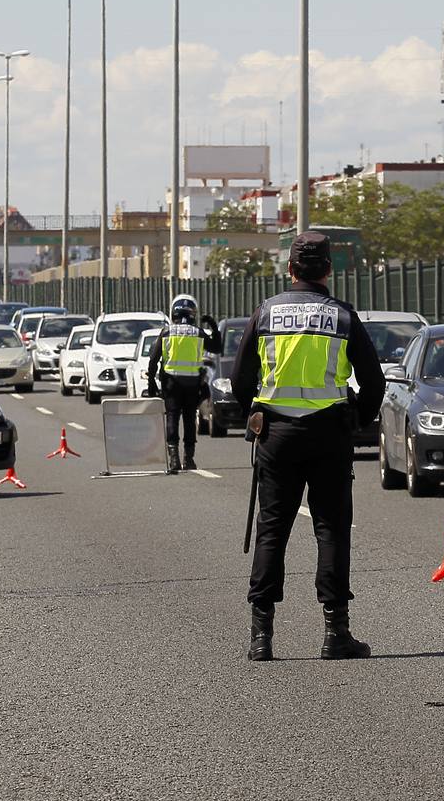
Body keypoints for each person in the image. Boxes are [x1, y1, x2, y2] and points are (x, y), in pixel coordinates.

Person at [231, 231, 385, 662]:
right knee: (331, 528)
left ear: (290, 269)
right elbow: (373, 381)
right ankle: (336, 634)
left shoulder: (265, 313)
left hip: (276, 435)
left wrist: (255, 413)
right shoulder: (341, 316)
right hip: (329, 433)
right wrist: (358, 418)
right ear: (329, 271)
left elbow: (241, 380)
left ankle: (261, 637)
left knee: (272, 529)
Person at [146, 293, 220, 473]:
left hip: (171, 383)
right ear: (193, 314)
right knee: (188, 420)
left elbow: (154, 359)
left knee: (172, 417)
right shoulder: (198, 333)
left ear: (174, 313)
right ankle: (189, 459)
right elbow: (217, 348)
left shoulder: (166, 332)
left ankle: (174, 460)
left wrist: (151, 381)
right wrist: (213, 326)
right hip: (192, 384)